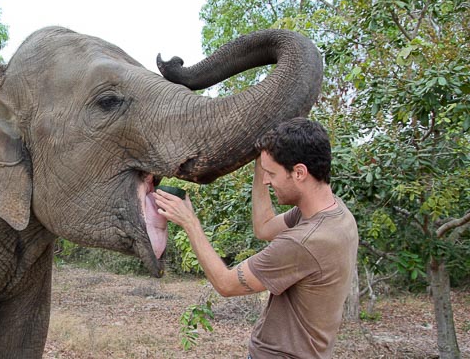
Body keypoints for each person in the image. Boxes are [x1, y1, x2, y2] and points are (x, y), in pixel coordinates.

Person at [153, 117, 358, 358]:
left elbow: (226, 284)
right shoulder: (333, 214)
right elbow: (264, 227)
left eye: (272, 173)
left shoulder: (305, 242)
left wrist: (190, 222)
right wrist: (261, 161)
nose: (266, 181)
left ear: (299, 172)